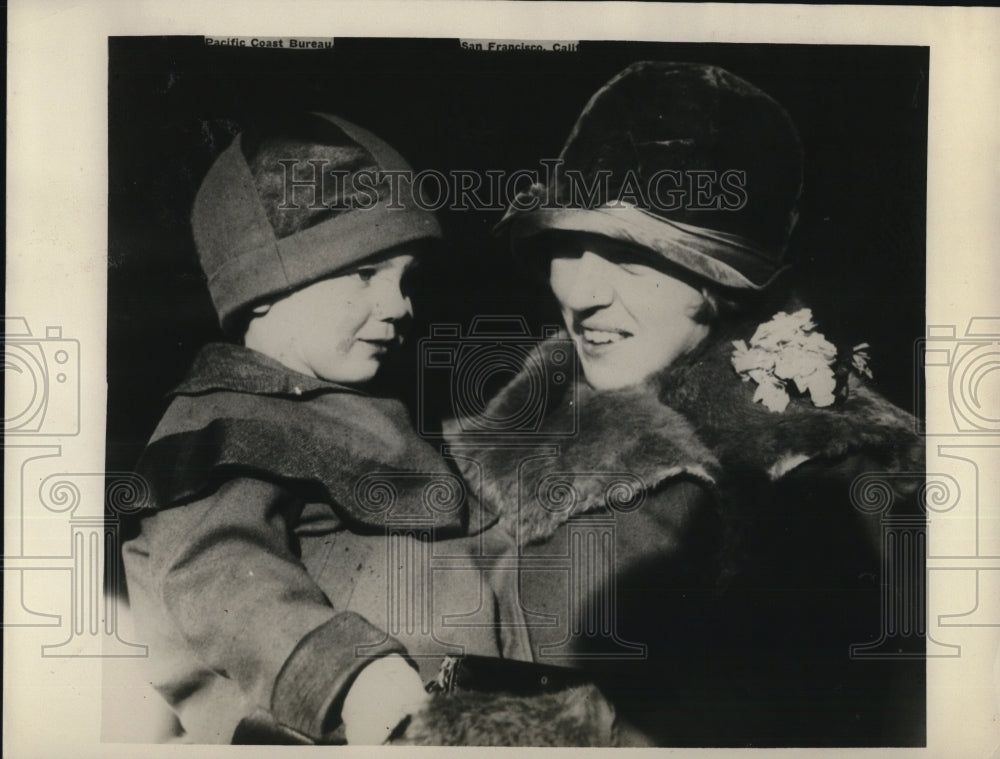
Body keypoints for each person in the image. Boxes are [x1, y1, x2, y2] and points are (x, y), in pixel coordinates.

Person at [446, 62, 925, 746]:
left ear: (723, 282)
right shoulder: (526, 436)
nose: (578, 292)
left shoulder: (832, 492)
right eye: (565, 244)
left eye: (627, 253)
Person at [121, 112, 535, 745]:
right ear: (261, 291)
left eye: (405, 279)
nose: (401, 306)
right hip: (348, 724)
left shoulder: (358, 407)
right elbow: (218, 574)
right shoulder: (221, 421)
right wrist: (346, 673)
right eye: (367, 274)